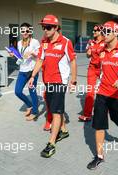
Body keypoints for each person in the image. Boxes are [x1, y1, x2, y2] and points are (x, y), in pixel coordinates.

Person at [87, 21, 118, 170]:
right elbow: (95, 65)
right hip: (102, 92)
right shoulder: (101, 49)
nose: (104, 33)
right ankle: (100, 156)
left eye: (108, 31)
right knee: (98, 124)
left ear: (116, 32)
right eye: (103, 31)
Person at [28, 14, 77, 158]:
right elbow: (40, 60)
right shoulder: (44, 42)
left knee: (55, 112)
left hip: (59, 82)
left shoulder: (66, 42)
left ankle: (51, 143)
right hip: (47, 81)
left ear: (56, 28)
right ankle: (64, 131)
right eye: (43, 27)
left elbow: (73, 61)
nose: (45, 30)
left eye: (48, 27)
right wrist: (32, 76)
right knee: (55, 107)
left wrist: (73, 81)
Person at [9, 23, 40, 121]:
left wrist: (32, 53)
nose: (25, 33)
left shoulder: (35, 42)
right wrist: (13, 54)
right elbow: (20, 57)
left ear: (30, 31)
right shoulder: (19, 43)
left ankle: (35, 112)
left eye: (27, 31)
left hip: (32, 71)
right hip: (22, 70)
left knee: (32, 91)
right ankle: (29, 105)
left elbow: (40, 57)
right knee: (17, 91)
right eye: (23, 31)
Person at [79, 24, 105, 122]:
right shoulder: (91, 42)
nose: (93, 32)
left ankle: (104, 112)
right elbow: (87, 56)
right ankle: (87, 114)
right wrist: (88, 54)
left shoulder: (106, 42)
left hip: (103, 69)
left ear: (100, 31)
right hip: (92, 68)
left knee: (103, 92)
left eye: (95, 31)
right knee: (90, 91)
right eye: (93, 31)